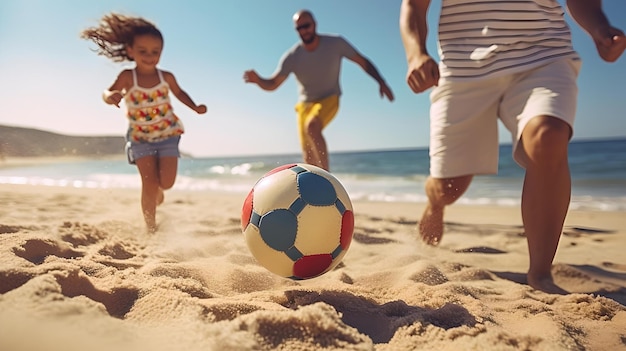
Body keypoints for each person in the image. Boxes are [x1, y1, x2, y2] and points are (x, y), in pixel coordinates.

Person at [399, 0, 625, 294]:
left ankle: (540, 273)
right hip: (463, 68)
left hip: (543, 55)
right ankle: (435, 204)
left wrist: (600, 28)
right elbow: (414, 5)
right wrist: (416, 54)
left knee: (548, 137)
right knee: (448, 188)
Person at [82, 13, 207, 233]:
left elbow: (179, 93)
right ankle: (151, 228)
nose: (149, 56)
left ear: (161, 52)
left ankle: (159, 190)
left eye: (155, 52)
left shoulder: (166, 77)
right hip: (140, 138)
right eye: (143, 51)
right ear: (130, 50)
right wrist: (110, 96)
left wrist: (195, 107)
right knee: (148, 183)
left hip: (168, 134)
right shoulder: (128, 76)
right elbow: (108, 90)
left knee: (166, 183)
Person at [244, 9, 395, 171]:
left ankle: (327, 178)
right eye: (299, 28)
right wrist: (258, 80)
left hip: (329, 98)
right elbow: (273, 83)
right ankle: (314, 190)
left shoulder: (336, 43)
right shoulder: (292, 56)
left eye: (306, 26)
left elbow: (362, 61)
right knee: (308, 159)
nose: (303, 31)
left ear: (315, 24)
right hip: (304, 106)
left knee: (312, 126)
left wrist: (381, 81)